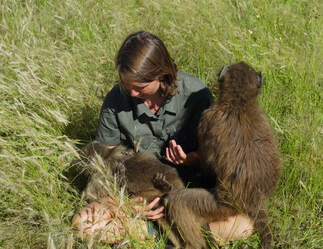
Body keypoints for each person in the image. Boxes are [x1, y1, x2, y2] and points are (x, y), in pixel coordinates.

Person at [73, 31, 253, 244]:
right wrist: (120, 202)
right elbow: (102, 159)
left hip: (188, 193)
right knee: (82, 225)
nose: (131, 94)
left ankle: (151, 233)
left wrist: (192, 159)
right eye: (126, 85)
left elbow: (221, 158)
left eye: (140, 87)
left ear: (162, 74)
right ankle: (165, 233)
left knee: (242, 225)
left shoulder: (197, 95)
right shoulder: (116, 99)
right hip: (135, 192)